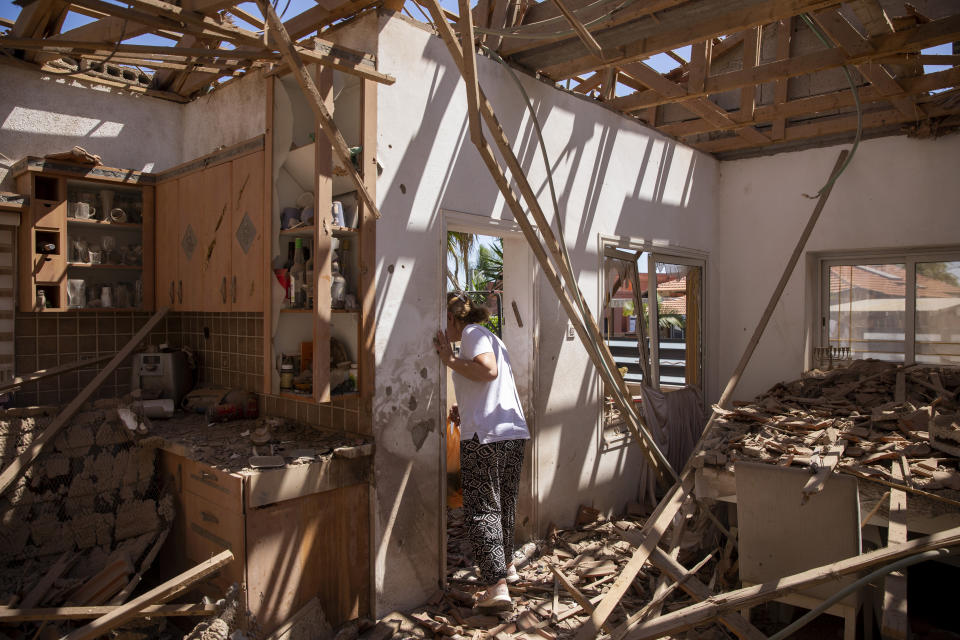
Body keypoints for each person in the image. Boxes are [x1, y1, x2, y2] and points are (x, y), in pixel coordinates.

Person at [434, 292, 529, 610]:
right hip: (511, 433)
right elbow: (490, 382)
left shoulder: (472, 334)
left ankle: (495, 585)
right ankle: (507, 568)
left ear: (451, 317)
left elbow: (487, 371)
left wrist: (448, 360)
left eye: (441, 320)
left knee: (480, 510)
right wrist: (467, 405)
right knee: (504, 506)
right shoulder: (490, 337)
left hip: (486, 438)